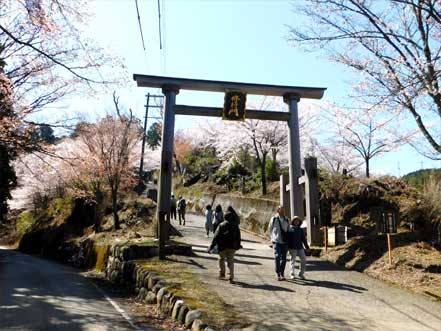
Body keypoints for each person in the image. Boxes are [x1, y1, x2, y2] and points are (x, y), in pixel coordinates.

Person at [208, 210, 241, 284]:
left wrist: (212, 246)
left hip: (222, 246)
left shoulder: (221, 225)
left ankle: (222, 273)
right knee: (231, 261)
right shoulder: (236, 226)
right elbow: (238, 237)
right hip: (232, 246)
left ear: (224, 217)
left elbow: (216, 236)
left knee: (221, 259)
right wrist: (238, 245)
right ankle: (231, 277)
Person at [267, 205, 290, 281]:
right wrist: (272, 238)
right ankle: (277, 273)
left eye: (283, 209)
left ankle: (282, 273)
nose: (283, 211)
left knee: (284, 258)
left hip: (285, 242)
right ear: (278, 211)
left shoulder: (287, 219)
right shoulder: (274, 219)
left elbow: (289, 230)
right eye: (281, 209)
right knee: (277, 256)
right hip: (276, 241)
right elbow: (270, 229)